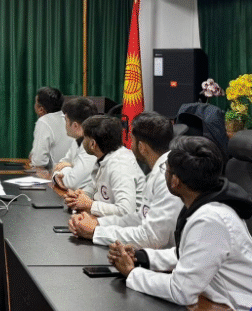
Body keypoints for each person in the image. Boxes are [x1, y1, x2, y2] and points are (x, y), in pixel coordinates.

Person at [108, 136, 252, 311]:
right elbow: (189, 255)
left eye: (166, 169)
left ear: (175, 181)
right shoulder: (208, 203)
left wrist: (132, 273)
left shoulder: (210, 220)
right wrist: (142, 257)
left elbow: (181, 290)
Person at [69, 111, 183, 250]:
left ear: (142, 147)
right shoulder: (159, 171)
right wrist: (98, 223)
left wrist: (96, 231)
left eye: (132, 140)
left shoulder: (166, 177)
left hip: (164, 255)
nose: (129, 145)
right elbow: (139, 219)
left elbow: (152, 238)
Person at [64, 115, 145, 218]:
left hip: (131, 225)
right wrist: (82, 195)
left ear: (93, 144)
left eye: (85, 138)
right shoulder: (105, 158)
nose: (83, 141)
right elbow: (98, 187)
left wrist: (90, 205)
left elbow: (126, 210)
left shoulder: (120, 166)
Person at [51, 97, 99, 190]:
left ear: (75, 125)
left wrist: (69, 166)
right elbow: (59, 165)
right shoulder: (78, 141)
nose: (65, 124)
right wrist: (59, 173)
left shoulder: (93, 146)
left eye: (66, 120)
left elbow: (71, 183)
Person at [28, 87, 75, 170]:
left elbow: (39, 161)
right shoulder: (67, 119)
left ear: (41, 109)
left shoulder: (44, 121)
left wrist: (33, 157)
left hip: (56, 174)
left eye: (35, 103)